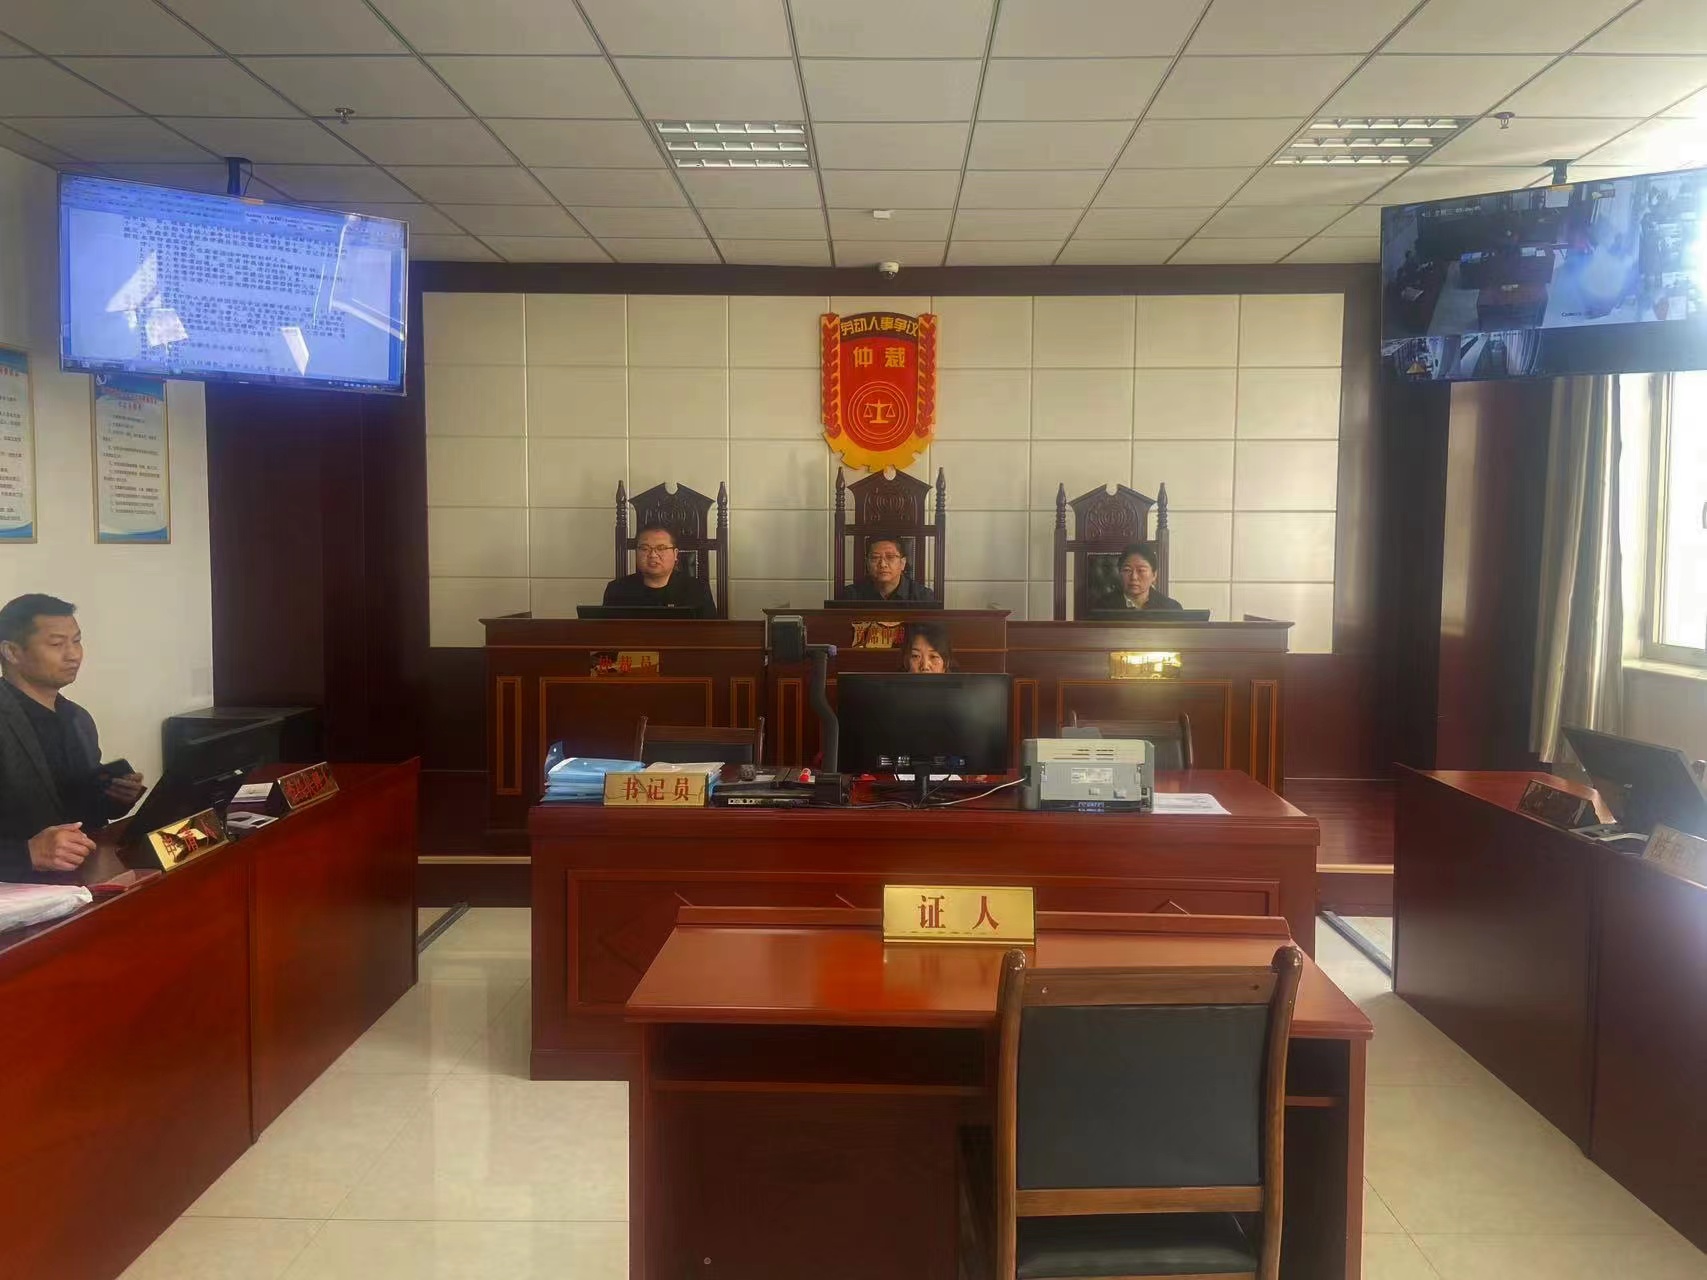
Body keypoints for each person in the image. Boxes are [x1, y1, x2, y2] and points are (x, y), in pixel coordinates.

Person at [0, 594, 144, 878]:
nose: (73, 654)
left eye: (76, 641)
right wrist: (27, 853)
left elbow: (81, 811)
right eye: (57, 644)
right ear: (12, 652)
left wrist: (116, 798)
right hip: (20, 887)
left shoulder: (78, 718)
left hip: (85, 875)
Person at [602, 523, 717, 617]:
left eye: (661, 548)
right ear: (636, 552)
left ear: (675, 554)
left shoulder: (697, 589)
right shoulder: (616, 590)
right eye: (645, 548)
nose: (653, 555)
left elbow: (709, 633)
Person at [1092, 542, 1184, 613]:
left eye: (1141, 570)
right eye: (1127, 570)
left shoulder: (1171, 609)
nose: (1134, 577)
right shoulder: (1102, 608)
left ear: (1154, 575)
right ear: (1120, 573)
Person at [841, 537, 936, 603]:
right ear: (867, 563)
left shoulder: (923, 597)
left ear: (902, 563)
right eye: (875, 558)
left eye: (890, 557)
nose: (882, 564)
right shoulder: (851, 596)